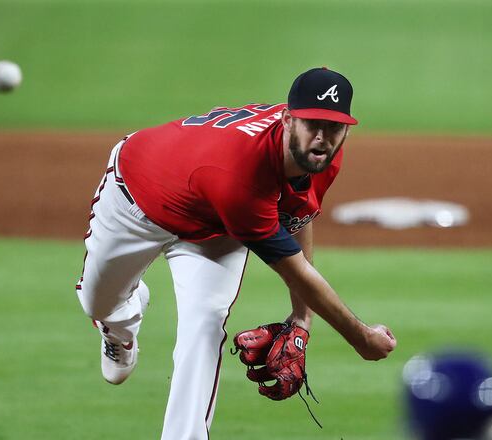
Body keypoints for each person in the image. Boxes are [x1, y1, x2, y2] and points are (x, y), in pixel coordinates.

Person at [75, 67, 397, 439]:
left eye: (334, 127)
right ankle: (119, 327)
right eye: (312, 124)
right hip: (137, 200)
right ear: (288, 120)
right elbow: (294, 270)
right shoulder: (240, 176)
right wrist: (361, 338)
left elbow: (297, 216)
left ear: (346, 130)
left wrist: (300, 321)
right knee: (98, 304)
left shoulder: (320, 155)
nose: (322, 138)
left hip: (216, 227)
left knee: (205, 324)